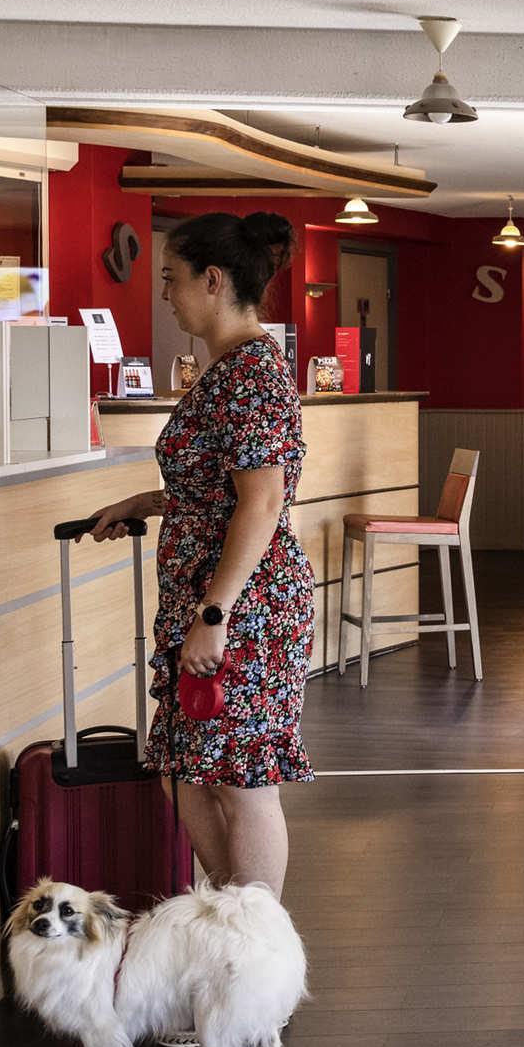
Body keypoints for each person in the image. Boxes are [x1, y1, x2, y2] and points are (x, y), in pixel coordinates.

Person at [82, 211, 313, 896]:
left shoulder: (252, 375)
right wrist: (151, 502)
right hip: (211, 599)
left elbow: (262, 504)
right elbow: (220, 487)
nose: (164, 295)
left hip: (243, 608)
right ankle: (234, 925)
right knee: (185, 772)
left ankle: (254, 940)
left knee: (240, 782)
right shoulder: (228, 370)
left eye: (171, 279)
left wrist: (215, 614)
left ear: (213, 281)